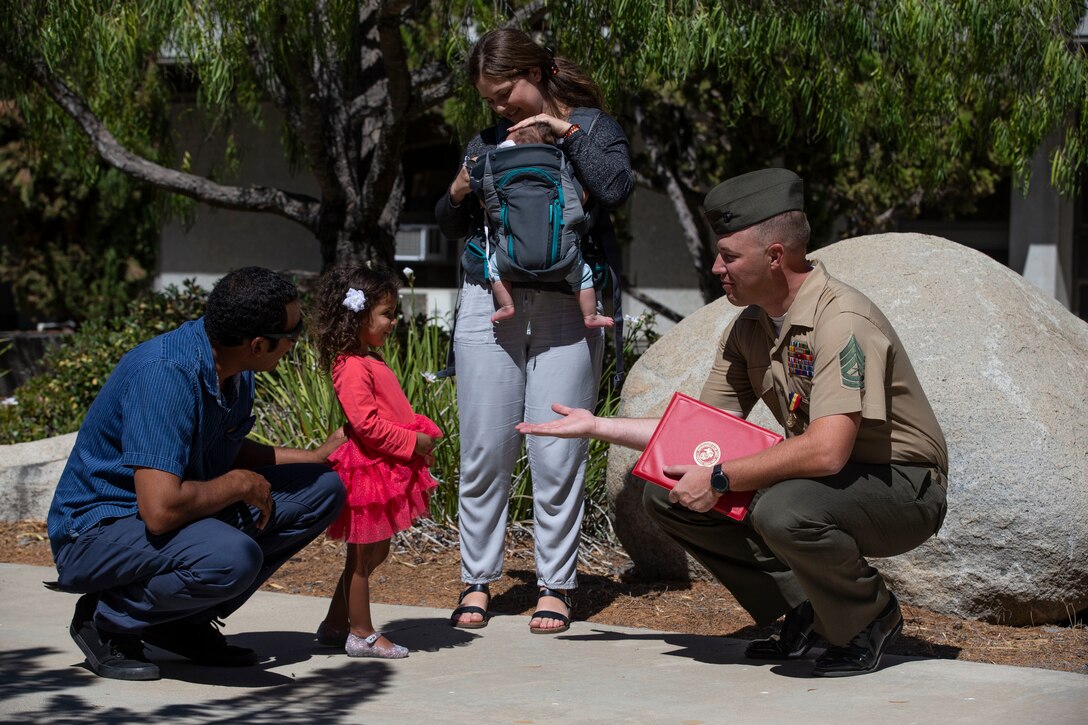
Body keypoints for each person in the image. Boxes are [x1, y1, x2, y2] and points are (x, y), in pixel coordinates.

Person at [517, 168, 948, 675]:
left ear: (774, 256)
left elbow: (828, 449)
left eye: (729, 256)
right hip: (831, 477)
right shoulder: (752, 326)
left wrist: (721, 478)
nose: (718, 267)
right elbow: (701, 434)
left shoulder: (841, 321)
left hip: (903, 485)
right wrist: (596, 426)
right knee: (666, 489)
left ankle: (869, 615)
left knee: (783, 509)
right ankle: (805, 610)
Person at [46, 266, 347, 681]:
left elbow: (221, 445)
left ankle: (177, 620)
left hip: (162, 518)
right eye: (292, 335)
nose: (295, 343)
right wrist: (239, 483)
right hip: (99, 530)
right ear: (258, 344)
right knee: (230, 558)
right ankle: (106, 617)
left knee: (323, 488)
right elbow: (160, 510)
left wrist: (312, 458)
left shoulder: (234, 368)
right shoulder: (166, 375)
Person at [435, 28, 633, 634]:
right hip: (487, 299)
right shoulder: (488, 139)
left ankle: (556, 585)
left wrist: (561, 132)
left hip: (570, 307)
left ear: (539, 71)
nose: (499, 108)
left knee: (557, 449)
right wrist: (459, 187)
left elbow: (616, 188)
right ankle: (477, 580)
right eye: (488, 98)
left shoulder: (594, 127)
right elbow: (450, 221)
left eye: (506, 92)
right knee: (485, 447)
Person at [309, 263, 441, 659]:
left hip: (382, 466)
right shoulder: (350, 366)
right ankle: (361, 633)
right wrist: (413, 442)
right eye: (386, 314)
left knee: (373, 551)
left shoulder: (368, 360)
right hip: (368, 469)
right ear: (357, 316)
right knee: (363, 556)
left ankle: (336, 623)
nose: (393, 321)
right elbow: (366, 425)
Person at [483, 121, 612, 329]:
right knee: (583, 276)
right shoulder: (558, 168)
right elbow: (578, 201)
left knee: (494, 269)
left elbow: (492, 206)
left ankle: (506, 306)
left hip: (512, 257)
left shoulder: (501, 175)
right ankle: (590, 316)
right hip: (563, 258)